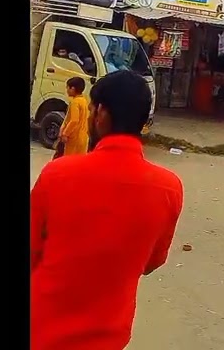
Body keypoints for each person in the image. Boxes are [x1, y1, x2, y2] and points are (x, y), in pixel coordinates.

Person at [30, 70, 184, 350]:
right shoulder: (169, 188)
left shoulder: (57, 174)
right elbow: (151, 262)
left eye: (91, 110)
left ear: (100, 113)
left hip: (41, 329)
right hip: (109, 336)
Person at [54, 77, 90, 159]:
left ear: (73, 88)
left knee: (68, 160)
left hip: (74, 138)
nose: (67, 90)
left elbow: (74, 120)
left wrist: (65, 134)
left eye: (67, 87)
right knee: (79, 161)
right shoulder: (84, 101)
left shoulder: (75, 102)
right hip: (83, 138)